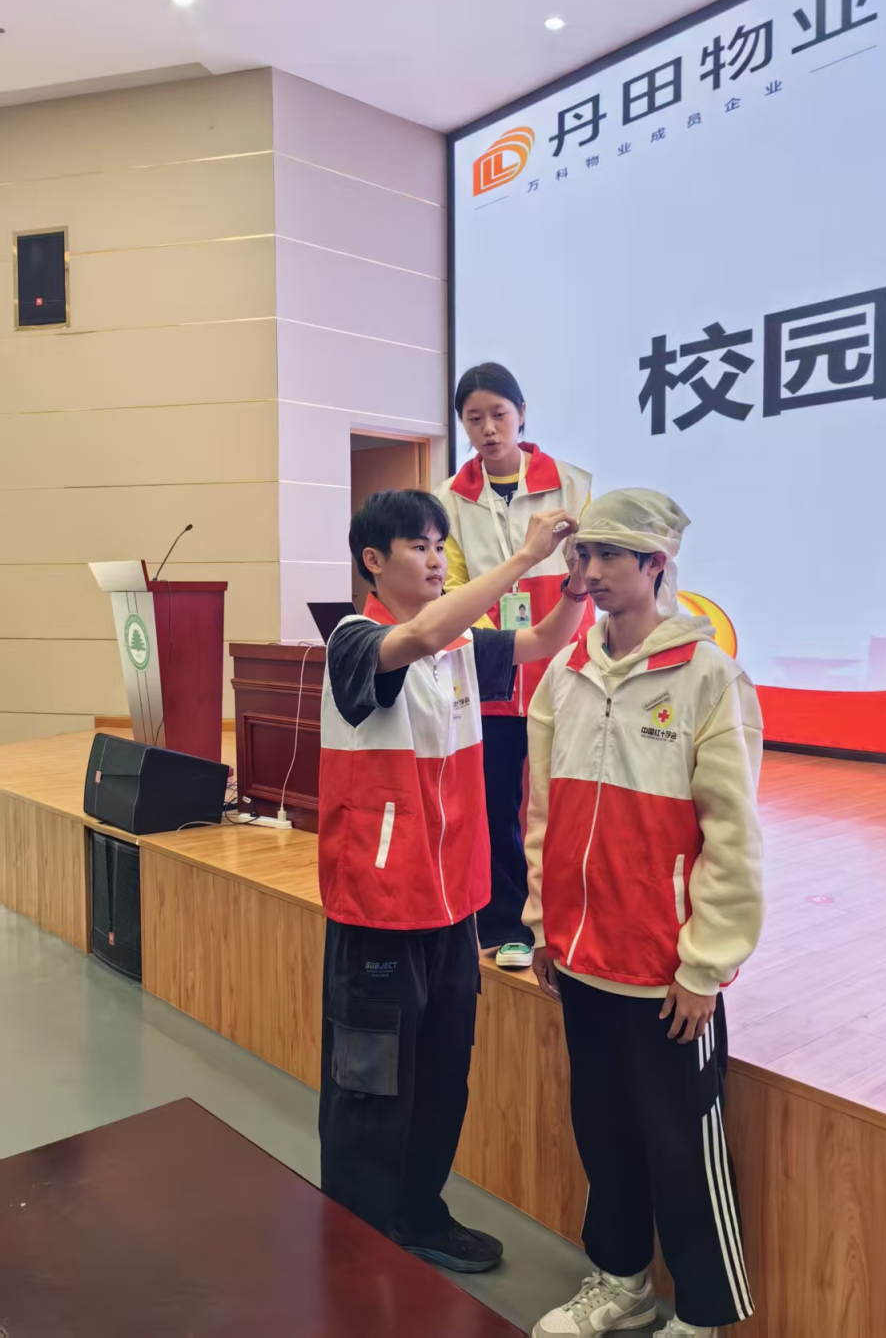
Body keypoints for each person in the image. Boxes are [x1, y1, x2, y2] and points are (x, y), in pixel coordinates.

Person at [318, 487, 587, 1274]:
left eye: (441, 545)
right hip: (379, 909)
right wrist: (526, 557)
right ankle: (357, 1242)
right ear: (374, 560)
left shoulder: (460, 644)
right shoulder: (356, 640)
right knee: (371, 1084)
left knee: (442, 1075)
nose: (437, 560)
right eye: (420, 546)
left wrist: (573, 586)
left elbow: (544, 639)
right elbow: (424, 631)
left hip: (453, 907)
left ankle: (419, 1214)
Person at [523, 489, 765, 1338]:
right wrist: (544, 921)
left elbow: (733, 834)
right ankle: (621, 1282)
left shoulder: (709, 678)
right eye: (581, 554)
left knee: (682, 1148)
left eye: (606, 556)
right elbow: (543, 812)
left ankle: (702, 1314)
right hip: (582, 958)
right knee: (604, 1134)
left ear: (656, 563)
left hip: (666, 974)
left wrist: (706, 963)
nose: (587, 571)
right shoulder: (565, 674)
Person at [435, 363, 592, 970]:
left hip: (563, 667)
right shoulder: (450, 499)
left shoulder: (571, 484)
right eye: (474, 418)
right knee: (496, 803)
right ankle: (506, 922)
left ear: (521, 414)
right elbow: (451, 589)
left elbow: (593, 568)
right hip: (492, 674)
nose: (488, 429)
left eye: (499, 414)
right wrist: (492, 644)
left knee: (555, 804)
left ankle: (561, 919)